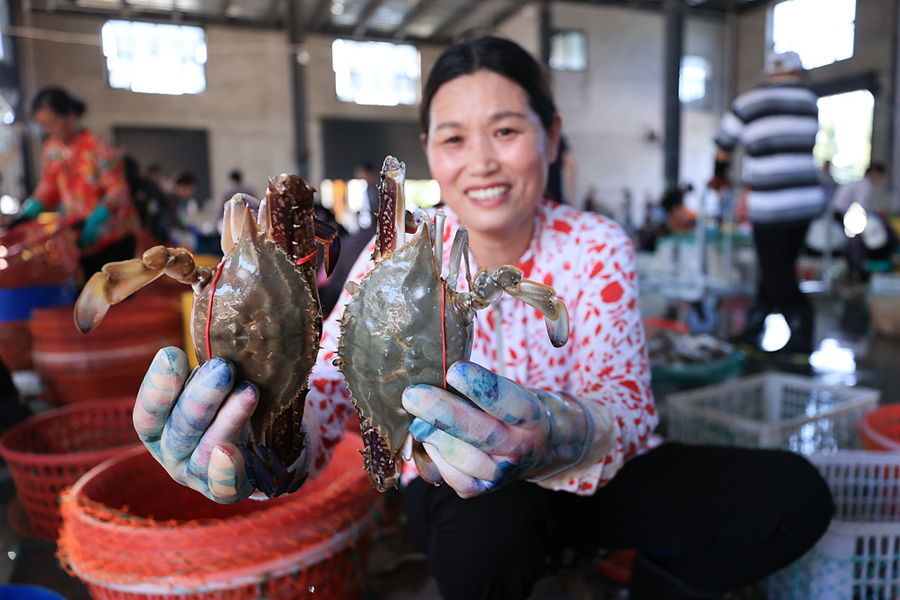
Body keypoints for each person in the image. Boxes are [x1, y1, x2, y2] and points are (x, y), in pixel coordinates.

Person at [131, 38, 832, 599]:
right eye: (453, 139)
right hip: (457, 488)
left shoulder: (595, 244)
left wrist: (559, 429)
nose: (482, 163)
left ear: (551, 137)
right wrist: (260, 450)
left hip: (594, 477)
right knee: (487, 517)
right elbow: (326, 395)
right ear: (429, 153)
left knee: (793, 495)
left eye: (505, 130)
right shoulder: (392, 254)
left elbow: (625, 408)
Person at [712, 51, 825, 354]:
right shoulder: (809, 102)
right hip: (805, 202)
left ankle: (802, 328)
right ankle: (754, 329)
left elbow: (723, 146)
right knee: (777, 266)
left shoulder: (747, 103)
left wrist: (719, 175)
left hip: (770, 205)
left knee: (776, 271)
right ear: (797, 73)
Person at [14, 87, 139, 279]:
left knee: (115, 300)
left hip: (114, 239)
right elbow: (49, 187)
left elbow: (118, 190)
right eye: (43, 125)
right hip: (81, 241)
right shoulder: (52, 150)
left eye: (52, 123)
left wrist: (98, 218)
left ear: (71, 116)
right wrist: (30, 209)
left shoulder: (98, 146)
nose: (48, 130)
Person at [832, 163, 894, 282]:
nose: (879, 179)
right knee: (854, 243)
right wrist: (876, 214)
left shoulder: (860, 183)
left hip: (842, 214)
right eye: (879, 175)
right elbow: (861, 205)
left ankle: (854, 270)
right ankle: (855, 271)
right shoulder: (865, 184)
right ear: (874, 172)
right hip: (841, 215)